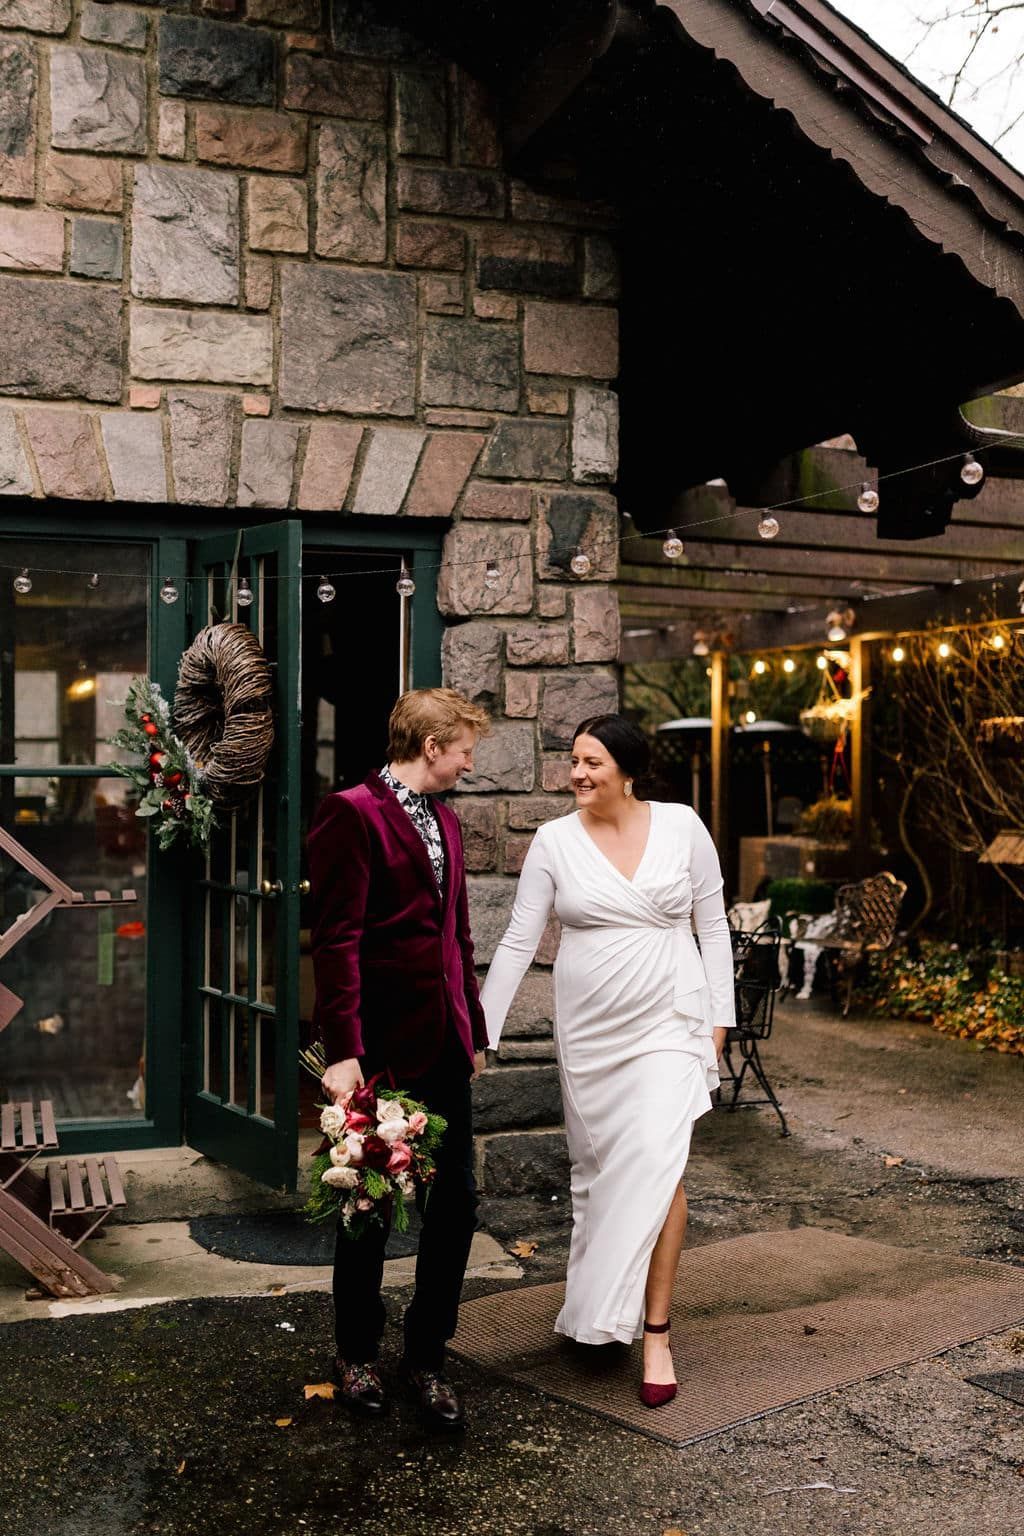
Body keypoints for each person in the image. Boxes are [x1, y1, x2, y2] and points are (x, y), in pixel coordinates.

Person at [480, 714, 735, 1408]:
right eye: (573, 761)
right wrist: (480, 1029)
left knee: (659, 1163)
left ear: (627, 769)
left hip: (669, 1023)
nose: (578, 774)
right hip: (590, 1034)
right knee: (600, 1174)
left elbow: (712, 926)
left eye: (592, 762)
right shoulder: (554, 842)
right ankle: (593, 1310)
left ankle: (655, 1331)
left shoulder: (683, 827)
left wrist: (721, 1018)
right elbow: (516, 941)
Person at [307, 687, 490, 1430]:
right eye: (465, 749)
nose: (471, 762)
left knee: (457, 1210)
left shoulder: (447, 818)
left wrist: (473, 1031)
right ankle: (355, 1354)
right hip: (378, 1053)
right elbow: (337, 939)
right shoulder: (351, 811)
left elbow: (459, 939)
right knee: (368, 1208)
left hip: (444, 1045)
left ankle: (427, 1357)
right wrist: (344, 1050)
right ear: (431, 745)